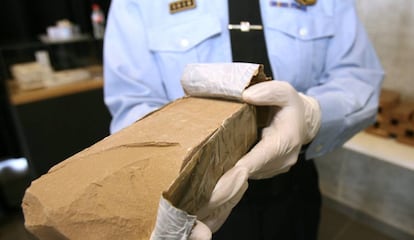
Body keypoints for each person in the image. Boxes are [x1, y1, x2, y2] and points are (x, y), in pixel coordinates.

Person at [103, 0, 384, 239]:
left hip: (294, 187)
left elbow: (357, 75)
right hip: (198, 200)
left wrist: (311, 114)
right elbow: (133, 101)